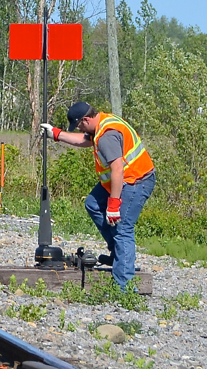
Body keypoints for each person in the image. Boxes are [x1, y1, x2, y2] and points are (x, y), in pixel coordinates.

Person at [41, 101, 156, 290]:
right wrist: (56, 133)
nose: (79, 128)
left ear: (86, 120)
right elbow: (85, 140)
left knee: (122, 229)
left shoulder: (106, 136)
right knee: (93, 204)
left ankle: (124, 288)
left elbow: (117, 169)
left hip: (135, 181)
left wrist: (113, 205)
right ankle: (118, 254)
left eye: (79, 125)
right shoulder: (102, 123)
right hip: (122, 180)